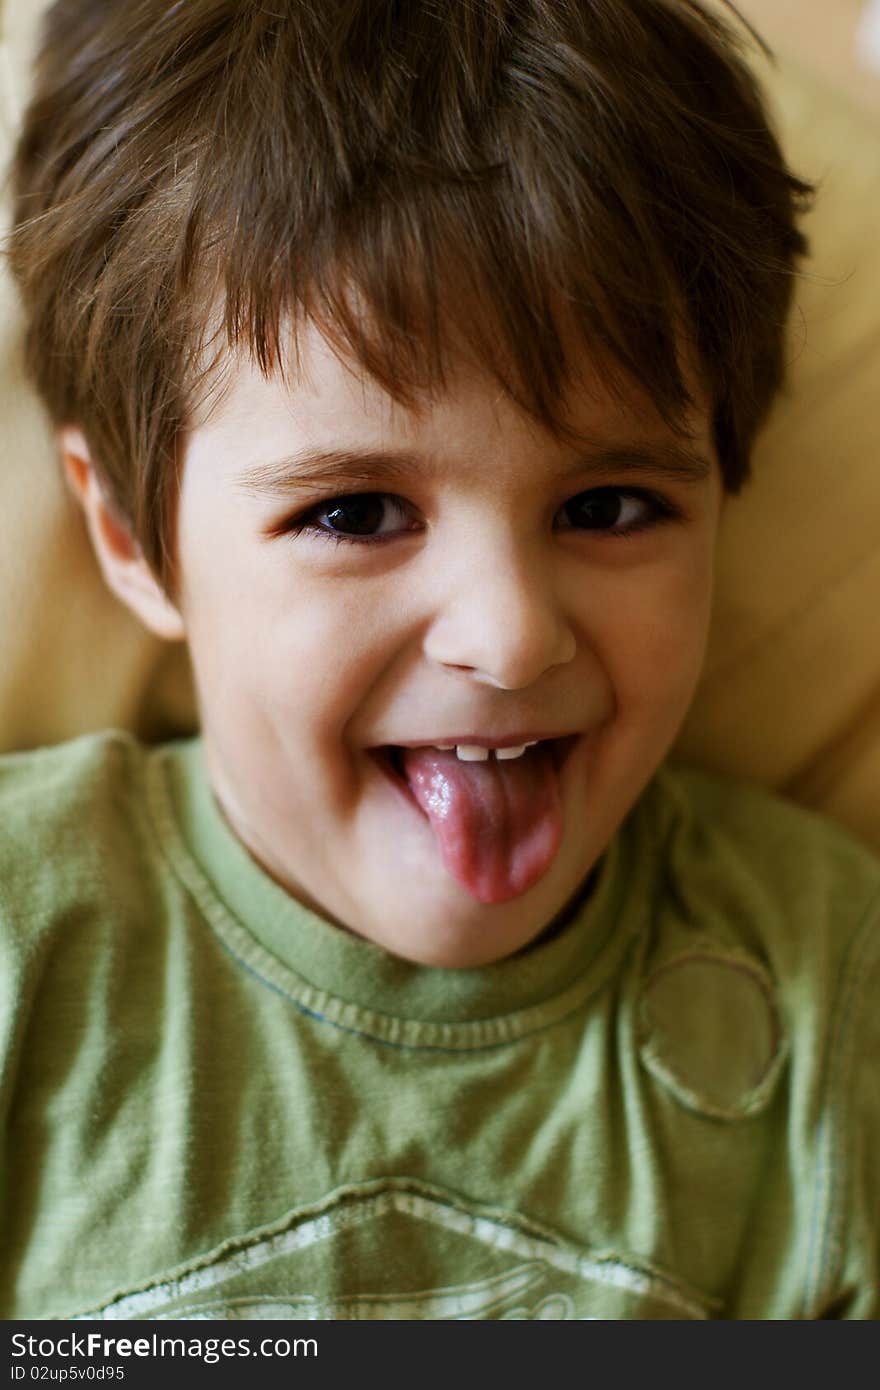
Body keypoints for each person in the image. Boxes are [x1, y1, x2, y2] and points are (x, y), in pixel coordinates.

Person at [1, 0, 877, 1321]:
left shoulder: (831, 986)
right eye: (354, 513)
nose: (512, 633)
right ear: (129, 535)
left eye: (610, 506)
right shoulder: (29, 944)